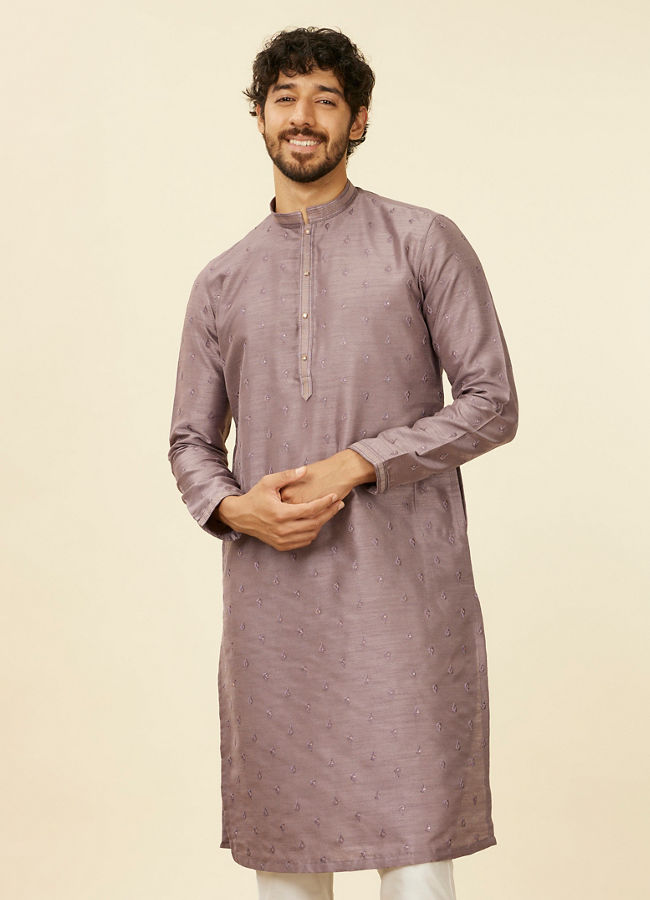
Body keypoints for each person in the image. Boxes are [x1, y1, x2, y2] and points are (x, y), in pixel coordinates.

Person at [168, 26, 518, 900]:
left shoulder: (421, 241)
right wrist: (233, 508)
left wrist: (359, 461)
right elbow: (190, 442)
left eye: (326, 99)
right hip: (274, 610)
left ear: (358, 121)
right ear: (259, 117)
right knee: (286, 856)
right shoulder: (222, 280)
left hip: (403, 596)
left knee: (416, 853)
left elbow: (491, 400)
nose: (303, 116)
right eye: (285, 98)